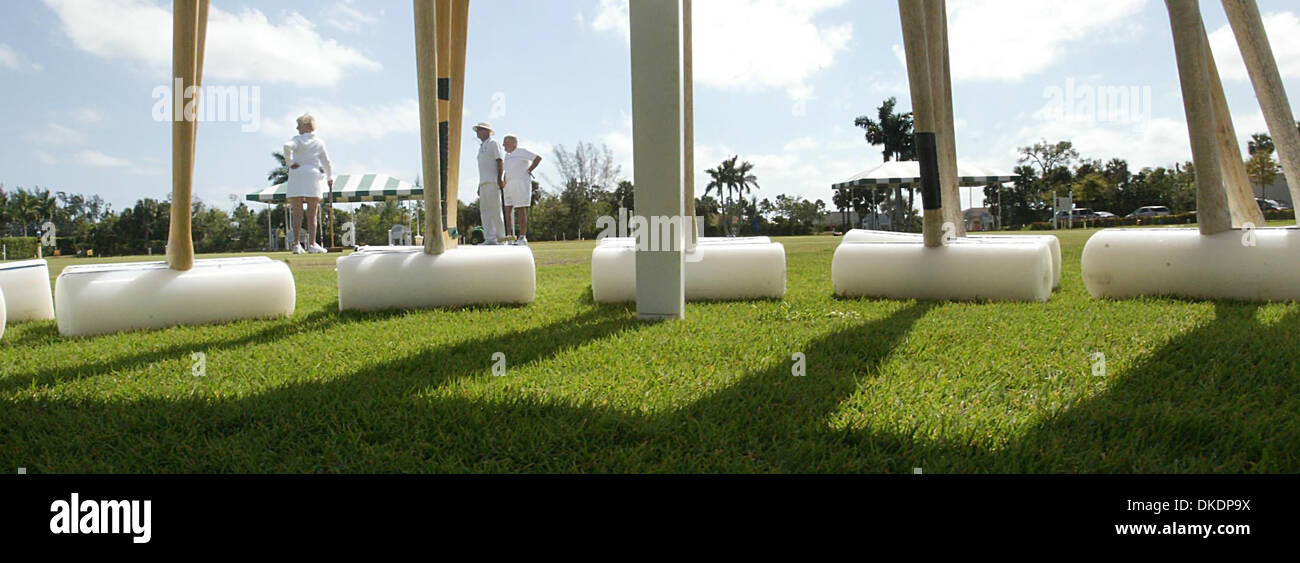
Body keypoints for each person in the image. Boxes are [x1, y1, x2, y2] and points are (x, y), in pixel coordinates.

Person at [283, 113, 333, 254]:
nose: (297, 127)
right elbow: (326, 162)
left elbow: (287, 147)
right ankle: (311, 244)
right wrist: (329, 177)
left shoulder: (297, 140)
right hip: (312, 176)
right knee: (312, 214)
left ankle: (296, 245)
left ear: (305, 126)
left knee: (297, 213)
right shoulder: (319, 142)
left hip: (297, 175)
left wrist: (289, 163)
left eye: (299, 124)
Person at [502, 135, 542, 246]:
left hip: (521, 184)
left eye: (505, 143)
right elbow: (507, 170)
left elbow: (538, 158)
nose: (503, 145)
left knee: (520, 209)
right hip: (508, 185)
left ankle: (522, 237)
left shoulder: (522, 151)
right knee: (507, 210)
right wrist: (504, 180)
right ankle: (509, 237)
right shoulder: (507, 156)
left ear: (513, 143)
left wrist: (529, 170)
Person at [473, 122, 506, 245]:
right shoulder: (481, 147)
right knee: (485, 211)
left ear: (487, 131)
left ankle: (501, 238)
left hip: (492, 181)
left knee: (495, 210)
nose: (478, 132)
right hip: (483, 183)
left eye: (480, 130)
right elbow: (483, 168)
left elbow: (499, 160)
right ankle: (490, 238)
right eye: (477, 130)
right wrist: (479, 184)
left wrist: (499, 178)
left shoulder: (493, 143)